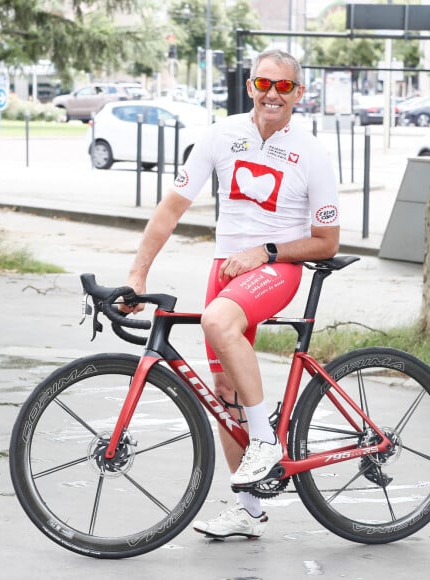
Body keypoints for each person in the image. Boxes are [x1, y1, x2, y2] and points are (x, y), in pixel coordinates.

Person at [122, 49, 340, 540]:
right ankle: (248, 510)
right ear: (250, 86)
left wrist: (266, 251)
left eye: (284, 86)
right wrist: (137, 276)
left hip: (276, 269)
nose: (272, 94)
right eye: (265, 83)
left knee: (216, 322)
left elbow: (327, 242)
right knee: (224, 397)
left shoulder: (311, 153)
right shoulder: (221, 136)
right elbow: (170, 210)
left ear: (298, 94)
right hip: (225, 269)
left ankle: (265, 443)